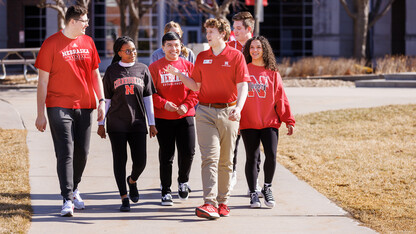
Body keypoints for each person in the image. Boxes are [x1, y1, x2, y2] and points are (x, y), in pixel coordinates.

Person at [165, 18, 250, 219]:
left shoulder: (236, 56)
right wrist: (178, 73)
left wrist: (239, 108)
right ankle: (209, 202)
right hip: (204, 112)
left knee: (226, 160)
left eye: (211, 32)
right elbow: (195, 86)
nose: (207, 35)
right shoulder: (202, 57)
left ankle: (223, 202)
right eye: (207, 31)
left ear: (222, 33)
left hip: (229, 112)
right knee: (209, 158)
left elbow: (243, 86)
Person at [35, 5, 105, 217]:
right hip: (58, 105)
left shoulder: (88, 42)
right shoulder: (51, 44)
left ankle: (74, 189)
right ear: (72, 21)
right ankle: (66, 198)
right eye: (84, 21)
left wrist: (101, 101)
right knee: (65, 150)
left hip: (85, 105)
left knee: (82, 152)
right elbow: (42, 81)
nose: (87, 24)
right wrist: (40, 113)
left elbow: (95, 75)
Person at [97, 36, 157, 212]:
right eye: (128, 51)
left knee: (141, 162)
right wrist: (101, 123)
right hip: (116, 124)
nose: (133, 53)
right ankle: (124, 197)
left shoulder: (143, 69)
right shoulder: (111, 71)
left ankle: (132, 180)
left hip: (138, 123)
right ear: (119, 53)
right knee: (119, 160)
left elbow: (148, 100)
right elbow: (106, 100)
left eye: (134, 50)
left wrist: (151, 123)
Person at [241, 36, 295, 208]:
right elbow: (235, 96)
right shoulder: (243, 70)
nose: (255, 50)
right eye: (252, 47)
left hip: (269, 121)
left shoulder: (272, 73)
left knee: (271, 155)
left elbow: (281, 98)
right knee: (252, 157)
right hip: (249, 122)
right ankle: (253, 193)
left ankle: (267, 187)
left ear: (265, 50)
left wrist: (288, 119)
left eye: (258, 47)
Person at [149, 32, 198, 206]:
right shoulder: (155, 67)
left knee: (189, 151)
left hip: (185, 115)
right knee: (167, 154)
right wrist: (163, 104)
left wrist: (186, 105)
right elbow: (149, 94)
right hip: (164, 118)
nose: (173, 48)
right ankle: (166, 191)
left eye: (176, 45)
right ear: (163, 48)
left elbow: (196, 90)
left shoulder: (188, 66)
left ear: (181, 46)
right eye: (169, 45)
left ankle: (183, 181)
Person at [227, 11, 259, 193]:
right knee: (232, 142)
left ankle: (253, 184)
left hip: (254, 102)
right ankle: (232, 174)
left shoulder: (258, 47)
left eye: (238, 28)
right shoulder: (229, 47)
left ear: (249, 29)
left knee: (253, 145)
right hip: (232, 102)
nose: (234, 31)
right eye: (234, 27)